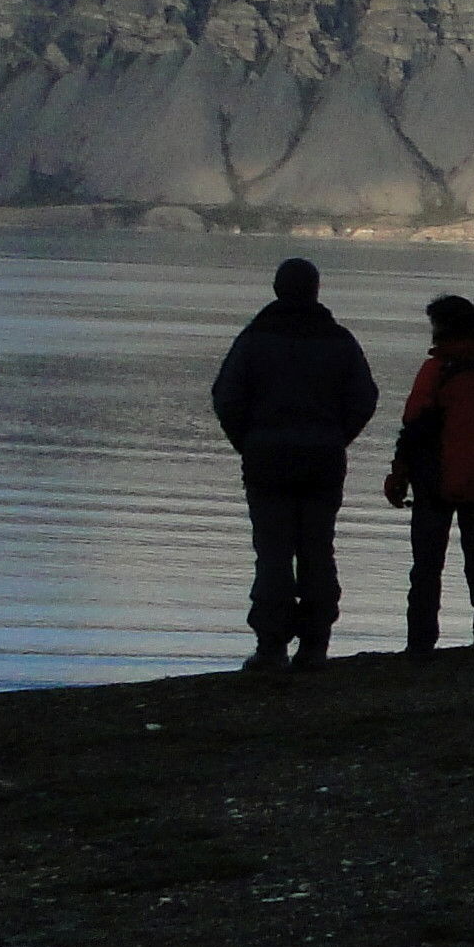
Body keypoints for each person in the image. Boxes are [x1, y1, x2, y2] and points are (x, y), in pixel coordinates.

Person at [209, 256, 378, 672]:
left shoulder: (254, 339)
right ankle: (315, 645)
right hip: (322, 461)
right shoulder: (339, 341)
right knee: (317, 549)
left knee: (273, 553)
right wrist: (335, 438)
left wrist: (249, 442)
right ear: (316, 290)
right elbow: (364, 399)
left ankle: (271, 647)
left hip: (267, 460)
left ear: (276, 289)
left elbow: (226, 397)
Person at [384, 293, 474, 653]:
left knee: (427, 567)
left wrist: (399, 474)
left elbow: (414, 425)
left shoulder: (436, 371)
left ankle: (421, 643)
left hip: (434, 482)